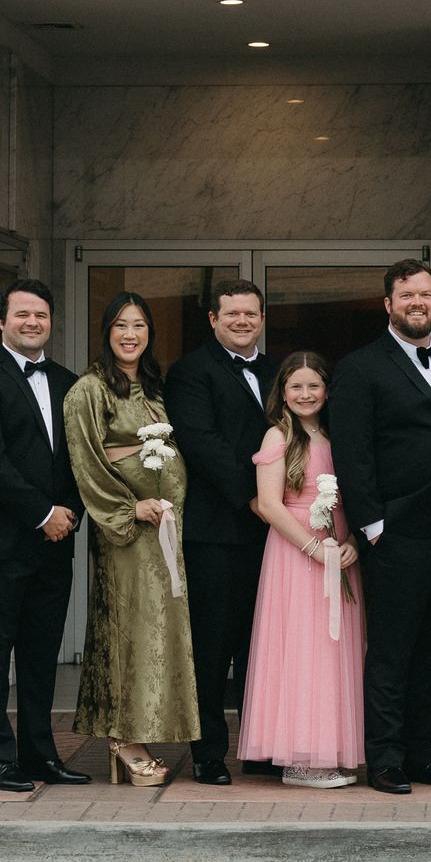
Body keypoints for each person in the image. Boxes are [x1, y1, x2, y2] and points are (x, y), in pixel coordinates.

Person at [330, 258, 431, 796]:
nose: (418, 303)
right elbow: (353, 452)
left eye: (426, 295)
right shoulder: (360, 367)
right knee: (391, 649)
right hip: (395, 531)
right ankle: (384, 757)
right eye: (407, 295)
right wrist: (372, 527)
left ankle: (419, 751)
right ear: (388, 304)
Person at [0, 279, 88, 792]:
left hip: (56, 544)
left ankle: (40, 753)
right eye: (22, 315)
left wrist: (69, 513)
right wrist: (41, 513)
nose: (32, 323)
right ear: (1, 322)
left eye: (41, 315)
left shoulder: (69, 382)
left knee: (40, 659)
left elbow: (81, 460)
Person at [64, 292, 199, 786]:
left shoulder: (153, 387)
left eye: (139, 325)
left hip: (167, 533)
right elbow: (87, 461)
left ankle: (150, 726)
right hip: (128, 535)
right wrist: (129, 507)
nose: (130, 334)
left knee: (162, 634)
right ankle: (124, 737)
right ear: (106, 332)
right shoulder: (89, 390)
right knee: (129, 631)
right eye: (120, 325)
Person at [238, 352, 366, 787]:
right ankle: (299, 759)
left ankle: (328, 748)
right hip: (297, 555)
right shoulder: (279, 435)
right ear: (283, 392)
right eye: (296, 387)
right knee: (301, 650)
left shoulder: (337, 434)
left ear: (327, 390)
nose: (305, 394)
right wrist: (315, 547)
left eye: (314, 386)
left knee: (333, 653)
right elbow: (269, 504)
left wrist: (350, 544)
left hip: (339, 552)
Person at [167, 279, 275, 785]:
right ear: (213, 318)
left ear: (261, 317)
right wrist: (256, 500)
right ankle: (209, 752)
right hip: (218, 532)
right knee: (212, 649)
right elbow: (203, 444)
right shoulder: (190, 372)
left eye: (250, 313)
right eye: (231, 313)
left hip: (276, 532)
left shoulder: (279, 372)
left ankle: (260, 747)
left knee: (265, 644)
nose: (241, 321)